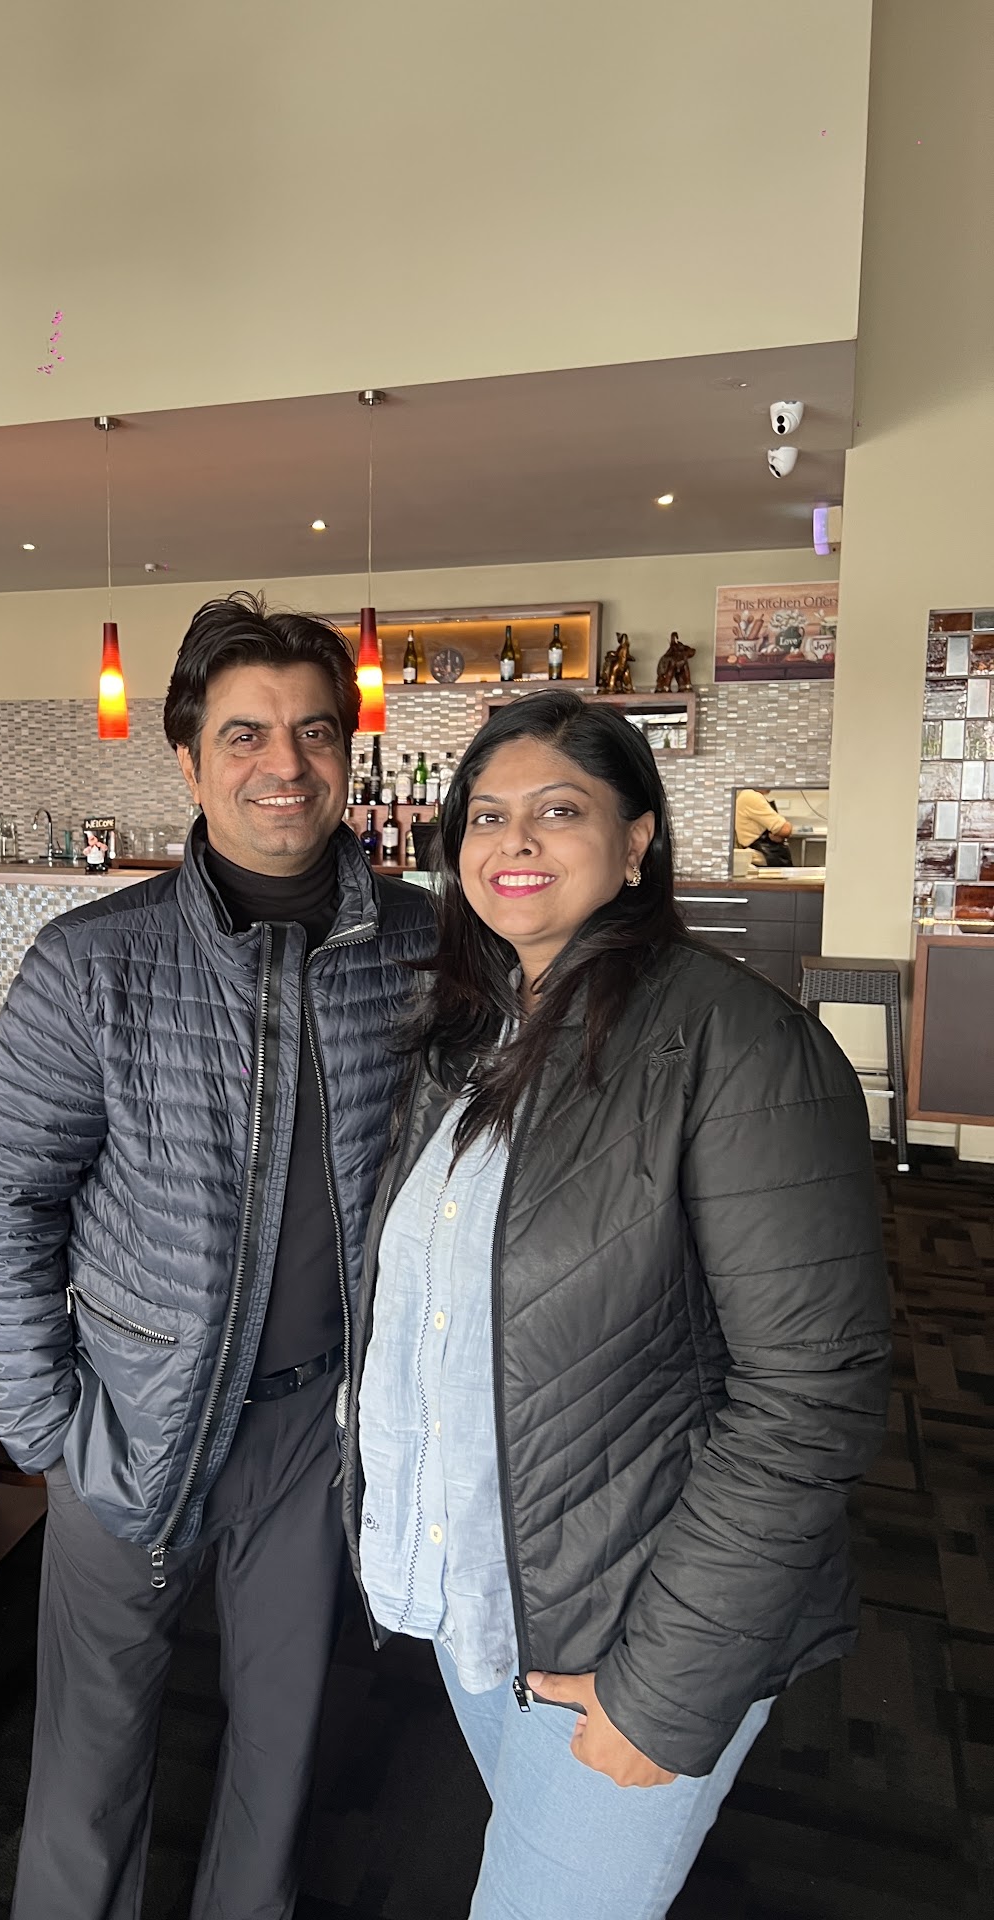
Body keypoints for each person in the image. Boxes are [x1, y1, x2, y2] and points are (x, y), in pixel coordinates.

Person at [344, 690, 890, 1920]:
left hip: (630, 1633)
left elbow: (811, 1396)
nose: (515, 842)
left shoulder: (739, 1046)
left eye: (559, 811)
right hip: (489, 1604)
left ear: (636, 840)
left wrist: (667, 1687)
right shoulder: (469, 1040)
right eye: (488, 815)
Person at [0, 591, 435, 1920]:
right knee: (91, 1770)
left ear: (348, 751)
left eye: (315, 732)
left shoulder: (419, 948)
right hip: (130, 1421)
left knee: (282, 1750)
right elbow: (4, 1209)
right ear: (187, 760)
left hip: (313, 1434)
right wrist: (46, 1428)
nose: (285, 764)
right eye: (244, 734)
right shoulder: (91, 964)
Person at [734, 785, 794, 866]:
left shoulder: (744, 795)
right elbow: (785, 829)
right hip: (765, 858)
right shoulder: (751, 796)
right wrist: (782, 830)